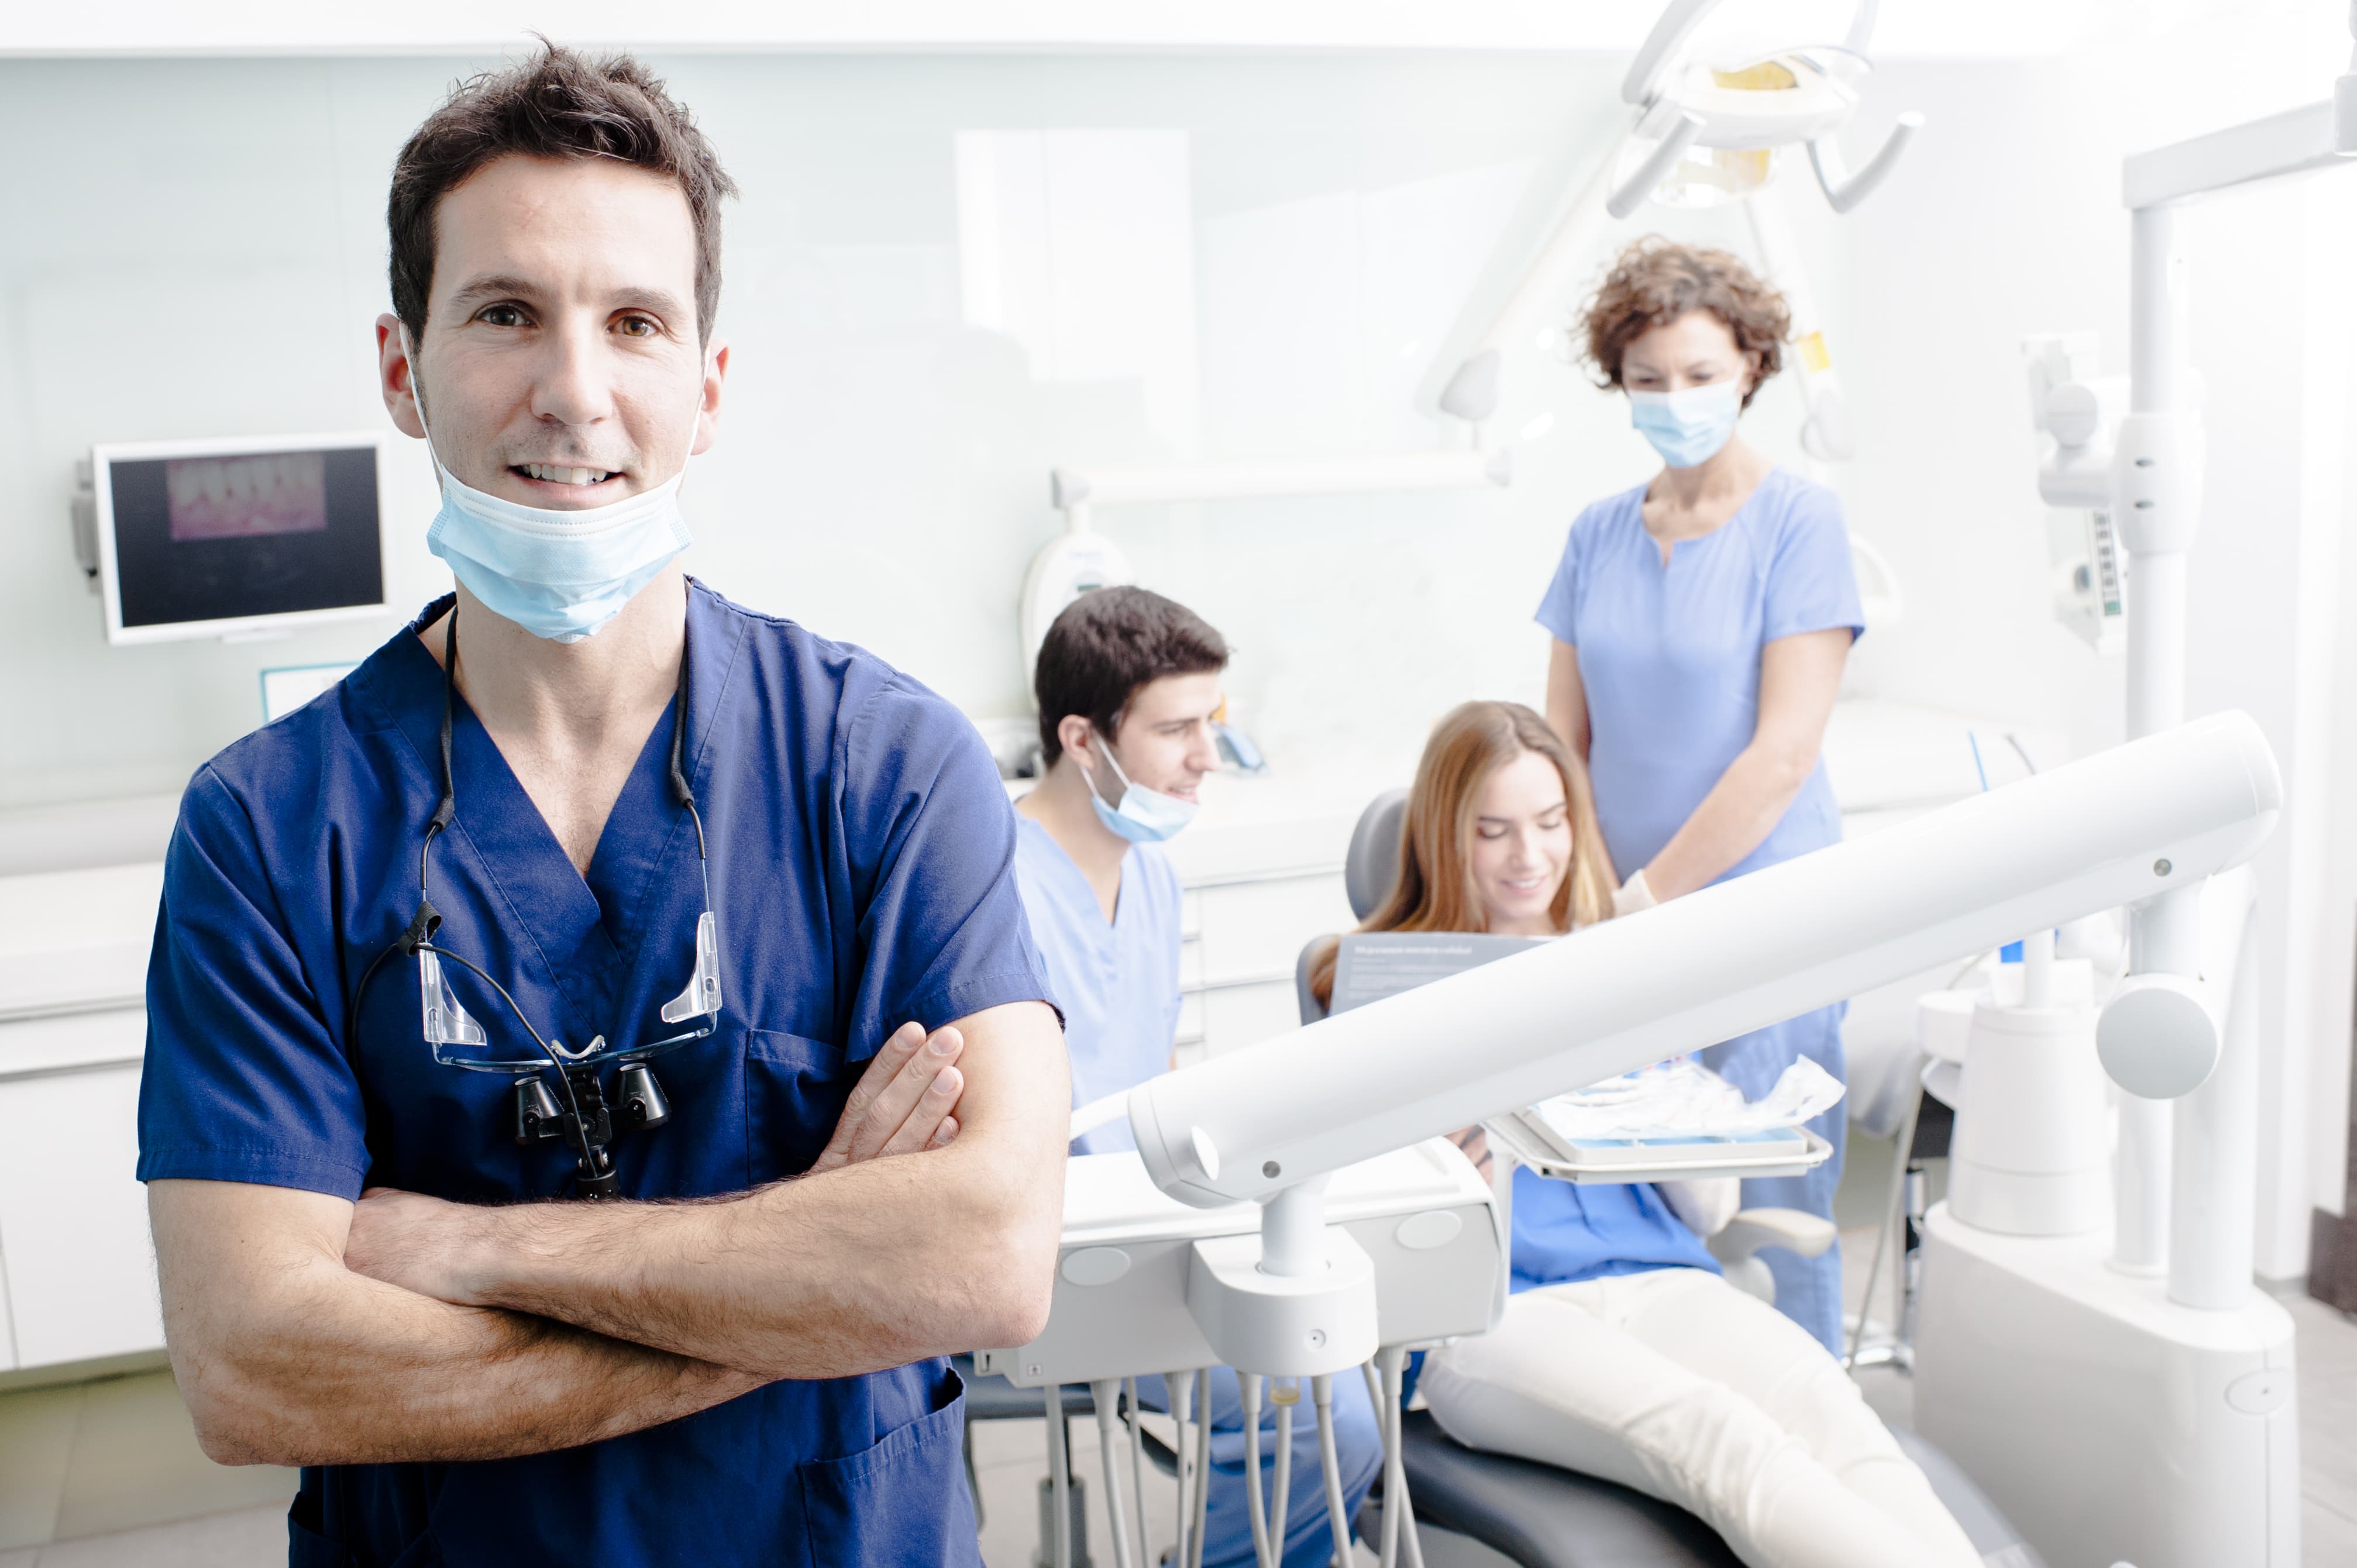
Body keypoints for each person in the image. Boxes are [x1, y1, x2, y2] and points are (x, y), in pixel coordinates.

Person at [136, 46, 1069, 1567]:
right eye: (506, 313)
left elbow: (985, 1256)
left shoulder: (883, 767)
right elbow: (253, 1360)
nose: (573, 391)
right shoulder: (270, 827)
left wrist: (468, 1246)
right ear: (401, 365)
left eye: (633, 322)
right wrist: (808, 1282)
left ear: (704, 387)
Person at [1314, 702, 1979, 1568]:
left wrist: (1684, 1085)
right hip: (1498, 1318)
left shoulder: (1618, 967)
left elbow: (1702, 1210)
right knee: (1724, 1439)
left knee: (1834, 1412)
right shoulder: (1378, 992)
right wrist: (1446, 1151)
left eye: (1551, 823)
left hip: (1665, 1282)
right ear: (1446, 837)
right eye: (1494, 830)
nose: (1530, 856)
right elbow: (1354, 1223)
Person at [1537, 237, 1863, 1350]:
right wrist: (1582, 897)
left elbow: (1779, 755)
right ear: (1616, 385)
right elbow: (1560, 748)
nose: (1674, 399)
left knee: (1765, 1211)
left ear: (1751, 368)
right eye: (1647, 380)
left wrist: (1649, 896)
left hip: (1762, 915)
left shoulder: (1800, 524)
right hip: (1623, 917)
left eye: (1698, 374)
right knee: (1643, 1195)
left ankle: (1809, 1427)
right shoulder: (1595, 535)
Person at [1013, 586, 1381, 1567]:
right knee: (1329, 1417)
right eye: (1176, 730)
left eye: (1209, 726)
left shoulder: (1153, 868)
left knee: (1364, 1335)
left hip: (1157, 1213)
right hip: (1064, 1249)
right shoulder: (993, 886)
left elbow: (1154, 1073)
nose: (1205, 759)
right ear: (1082, 739)